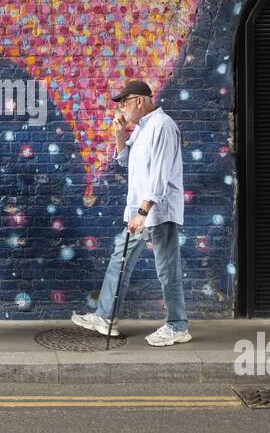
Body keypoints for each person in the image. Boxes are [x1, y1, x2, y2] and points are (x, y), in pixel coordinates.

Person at [71, 79, 191, 346]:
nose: (121, 109)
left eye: (124, 103)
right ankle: (106, 317)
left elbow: (159, 175)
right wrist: (119, 133)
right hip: (140, 212)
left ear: (139, 101)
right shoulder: (142, 128)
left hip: (157, 212)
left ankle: (177, 325)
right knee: (120, 257)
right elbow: (125, 160)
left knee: (166, 267)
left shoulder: (162, 126)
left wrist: (143, 211)